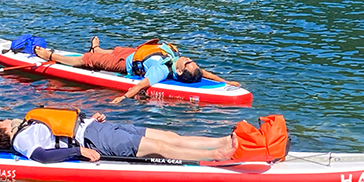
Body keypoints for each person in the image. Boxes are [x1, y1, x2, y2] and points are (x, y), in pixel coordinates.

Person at [32, 36, 240, 104]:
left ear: (178, 73)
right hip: (136, 52)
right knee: (113, 50)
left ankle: (50, 56)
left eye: (188, 63)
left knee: (87, 60)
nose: (188, 59)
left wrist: (123, 97)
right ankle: (98, 48)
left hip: (125, 64)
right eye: (190, 61)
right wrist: (227, 82)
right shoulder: (178, 62)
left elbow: (141, 85)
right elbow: (204, 73)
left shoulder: (160, 70)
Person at [0, 108, 236, 163]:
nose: (6, 118)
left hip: (97, 127)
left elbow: (64, 123)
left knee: (169, 135)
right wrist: (77, 151)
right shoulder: (21, 139)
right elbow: (41, 156)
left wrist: (92, 117)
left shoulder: (27, 122)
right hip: (95, 141)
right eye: (1, 120)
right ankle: (216, 156)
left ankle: (222, 141)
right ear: (2, 130)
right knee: (158, 146)